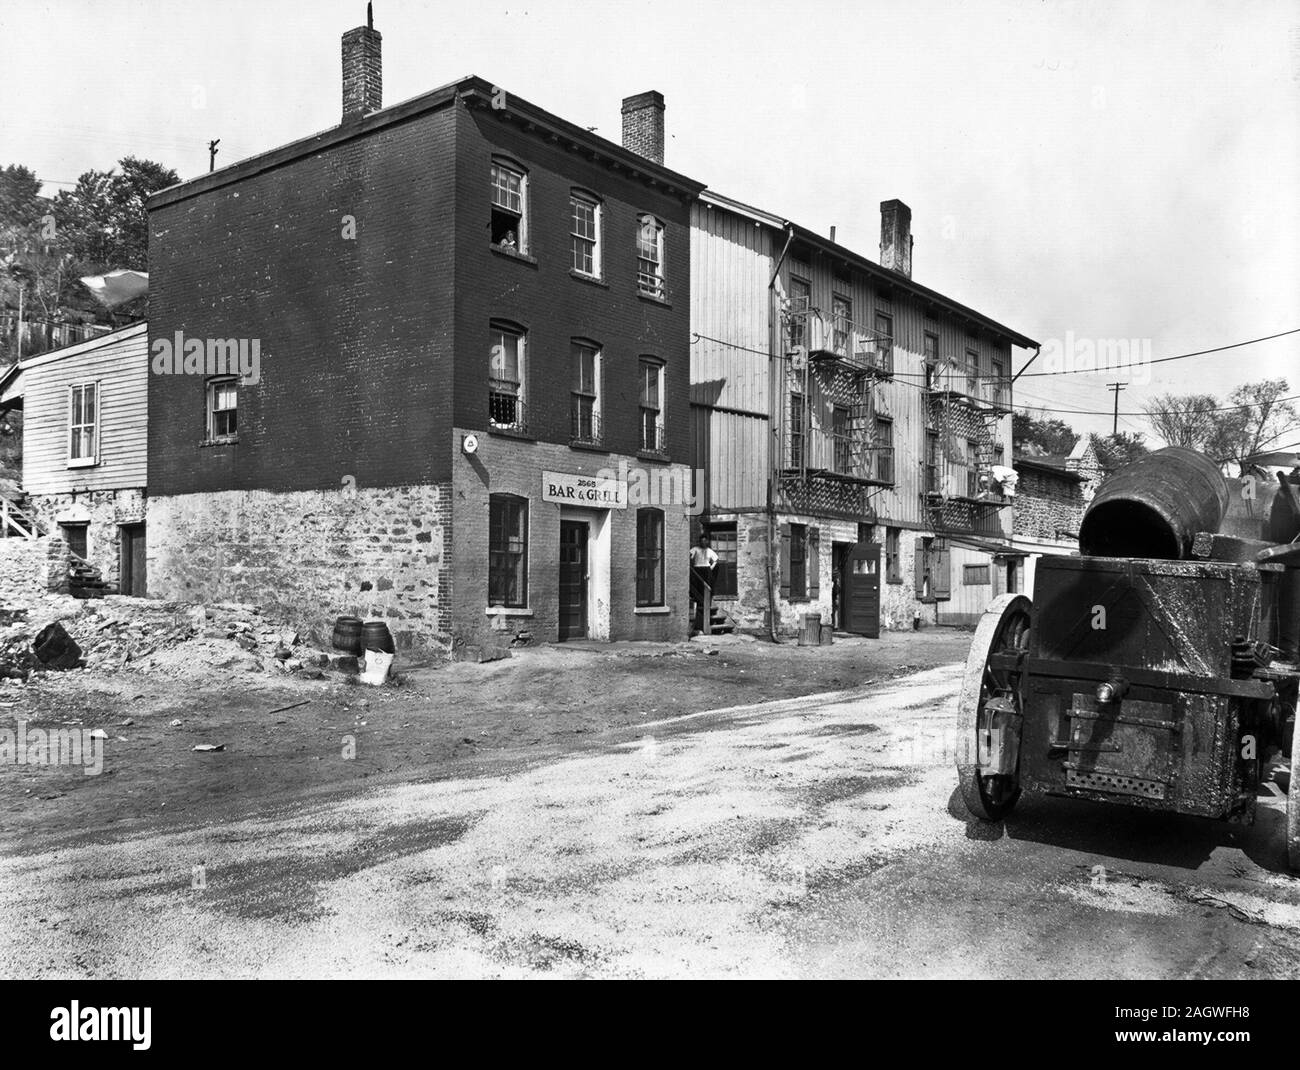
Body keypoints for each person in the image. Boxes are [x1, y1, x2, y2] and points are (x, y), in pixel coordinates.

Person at [689, 534, 719, 633]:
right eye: (702, 541)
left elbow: (716, 559)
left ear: (707, 542)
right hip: (697, 569)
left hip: (706, 569)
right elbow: (689, 556)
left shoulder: (710, 551)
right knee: (698, 585)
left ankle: (706, 599)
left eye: (705, 541)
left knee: (706, 585)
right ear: (700, 541)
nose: (703, 542)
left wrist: (711, 567)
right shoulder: (695, 549)